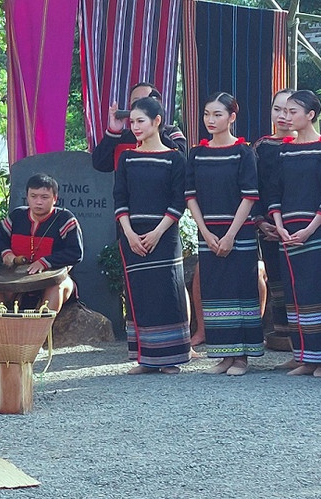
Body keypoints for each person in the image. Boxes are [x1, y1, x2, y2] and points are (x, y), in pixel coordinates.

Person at [266, 89, 321, 377]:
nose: (286, 117)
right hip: (289, 233)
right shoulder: (284, 151)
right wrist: (279, 225)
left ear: (311, 115)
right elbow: (274, 192)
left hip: (318, 232)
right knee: (296, 294)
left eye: (293, 112)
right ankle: (305, 355)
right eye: (284, 112)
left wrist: (310, 228)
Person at [184, 93, 263, 374]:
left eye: (217, 114)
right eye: (207, 114)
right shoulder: (197, 154)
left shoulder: (244, 152)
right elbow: (190, 196)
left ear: (232, 117)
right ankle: (223, 354)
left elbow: (249, 196)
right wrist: (204, 232)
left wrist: (231, 234)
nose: (210, 120)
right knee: (215, 290)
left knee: (241, 289)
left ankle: (242, 357)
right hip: (209, 232)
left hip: (238, 232)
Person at [113, 96, 190, 374]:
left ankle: (170, 357)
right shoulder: (127, 158)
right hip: (132, 235)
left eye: (140, 121)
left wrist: (157, 232)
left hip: (165, 236)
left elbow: (178, 201)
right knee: (140, 295)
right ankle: (145, 358)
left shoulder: (175, 158)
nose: (134, 126)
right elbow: (120, 198)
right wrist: (130, 233)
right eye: (132, 122)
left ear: (157, 122)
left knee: (167, 292)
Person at [0, 174, 81, 313]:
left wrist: (45, 262)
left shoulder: (65, 219)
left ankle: (40, 331)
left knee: (56, 286)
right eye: (33, 196)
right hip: (17, 279)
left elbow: (75, 252)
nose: (38, 202)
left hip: (53, 280)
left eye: (44, 197)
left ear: (55, 198)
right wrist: (6, 254)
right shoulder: (17, 216)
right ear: (27, 197)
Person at [253, 89, 294, 356]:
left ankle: (307, 343)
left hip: (302, 227)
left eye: (290, 111)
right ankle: (282, 336)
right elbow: (252, 188)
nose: (283, 117)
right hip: (268, 227)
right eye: (278, 110)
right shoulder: (261, 147)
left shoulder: (310, 145)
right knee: (277, 280)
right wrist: (259, 221)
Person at [91, 82, 189, 173]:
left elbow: (181, 160)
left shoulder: (171, 132)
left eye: (148, 100)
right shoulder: (122, 137)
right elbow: (100, 164)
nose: (142, 105)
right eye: (136, 101)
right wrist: (113, 132)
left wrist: (157, 128)